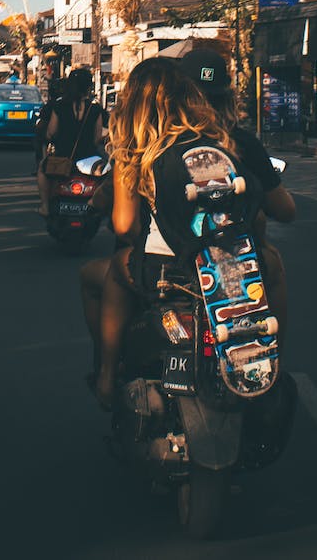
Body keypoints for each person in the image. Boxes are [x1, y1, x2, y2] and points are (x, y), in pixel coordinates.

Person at [80, 54, 295, 410]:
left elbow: (123, 226)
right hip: (225, 273)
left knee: (108, 274)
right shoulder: (221, 142)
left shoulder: (135, 150)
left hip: (164, 274)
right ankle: (273, 368)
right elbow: (275, 210)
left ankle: (106, 377)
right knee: (272, 263)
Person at [36, 67, 108, 217]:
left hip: (63, 157)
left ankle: (45, 206)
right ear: (88, 87)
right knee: (108, 175)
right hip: (90, 159)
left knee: (42, 170)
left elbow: (51, 133)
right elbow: (96, 138)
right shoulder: (94, 109)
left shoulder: (59, 106)